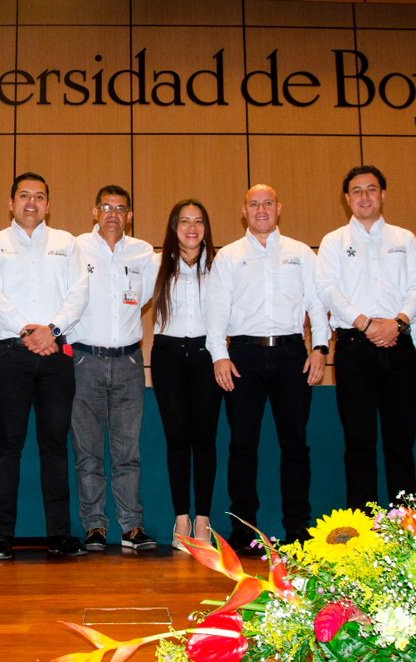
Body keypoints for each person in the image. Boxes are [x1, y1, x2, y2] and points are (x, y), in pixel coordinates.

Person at [206, 184, 330, 551]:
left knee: (296, 445)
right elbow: (215, 313)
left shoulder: (300, 253)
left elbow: (317, 305)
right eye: (254, 204)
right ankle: (244, 530)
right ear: (244, 210)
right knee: (242, 445)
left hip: (293, 354)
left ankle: (298, 529)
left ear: (279, 208)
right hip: (242, 356)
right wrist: (218, 356)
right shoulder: (228, 256)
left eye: (268, 203)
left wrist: (320, 347)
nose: (261, 209)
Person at [0, 172, 90, 560]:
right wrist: (28, 330)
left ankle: (58, 535)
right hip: (10, 353)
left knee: (54, 446)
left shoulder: (67, 243)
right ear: (11, 203)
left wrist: (51, 331)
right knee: (8, 445)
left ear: (48, 204)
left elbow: (79, 292)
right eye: (23, 196)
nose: (31, 202)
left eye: (39, 196)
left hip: (56, 354)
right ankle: (2, 537)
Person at [316, 165, 416, 511]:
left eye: (372, 189)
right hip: (353, 347)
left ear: (383, 195)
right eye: (357, 191)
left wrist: (399, 322)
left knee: (401, 441)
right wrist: (365, 323)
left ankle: (406, 526)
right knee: (358, 441)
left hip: (399, 344)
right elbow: (328, 291)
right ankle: (361, 523)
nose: (365, 196)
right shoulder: (334, 242)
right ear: (347, 198)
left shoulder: (405, 240)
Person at [69, 185, 157, 552]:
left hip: (129, 362)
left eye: (121, 208)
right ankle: (94, 527)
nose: (112, 214)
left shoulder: (144, 253)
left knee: (127, 453)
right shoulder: (75, 249)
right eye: (106, 206)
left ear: (130, 216)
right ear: (94, 211)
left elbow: (146, 297)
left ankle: (131, 527)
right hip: (84, 361)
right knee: (87, 452)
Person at [150, 199, 221, 550]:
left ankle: (204, 518)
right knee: (177, 438)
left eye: (198, 221)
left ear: (206, 227)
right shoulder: (156, 264)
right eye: (184, 221)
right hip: (168, 356)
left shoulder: (220, 266)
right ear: (173, 227)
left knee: (205, 439)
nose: (191, 228)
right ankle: (181, 516)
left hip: (209, 356)